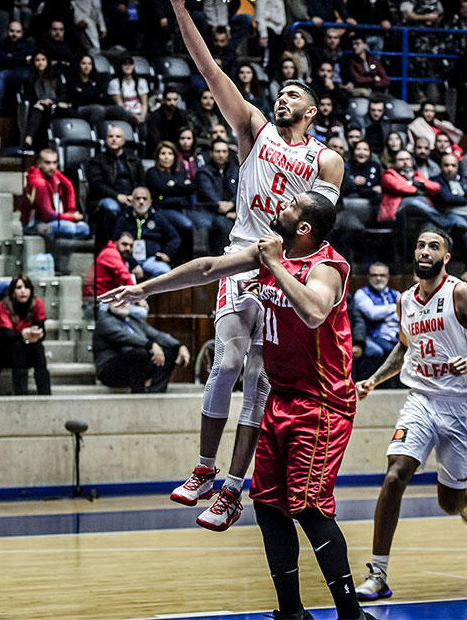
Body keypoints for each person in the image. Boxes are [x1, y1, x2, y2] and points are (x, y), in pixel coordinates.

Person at [102, 192, 369, 619]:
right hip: (282, 398)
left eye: (292, 206)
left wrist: (275, 266)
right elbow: (208, 267)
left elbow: (316, 312)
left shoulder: (326, 268)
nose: (281, 205)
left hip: (321, 404)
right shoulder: (272, 252)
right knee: (267, 503)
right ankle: (291, 611)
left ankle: (352, 615)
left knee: (309, 507)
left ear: (304, 228)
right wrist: (143, 289)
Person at [166, 0, 345, 531]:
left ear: (312, 110)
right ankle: (203, 468)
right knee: (226, 362)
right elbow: (209, 68)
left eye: (293, 92)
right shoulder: (253, 129)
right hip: (243, 255)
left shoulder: (326, 160)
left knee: (262, 380)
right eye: (281, 91)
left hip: (283, 268)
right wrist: (180, 5)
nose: (282, 95)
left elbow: (314, 223)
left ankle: (232, 491)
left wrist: (290, 266)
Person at [352, 228, 467, 601]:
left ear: (445, 258)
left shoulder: (460, 293)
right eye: (420, 244)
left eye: (433, 246)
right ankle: (378, 573)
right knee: (395, 475)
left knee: (448, 503)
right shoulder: (405, 300)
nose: (424, 250)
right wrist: (373, 380)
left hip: (461, 407)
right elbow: (404, 350)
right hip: (421, 399)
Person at [93, 301, 189, 393]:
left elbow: (157, 335)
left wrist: (179, 346)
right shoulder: (104, 321)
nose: (122, 304)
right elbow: (127, 337)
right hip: (111, 372)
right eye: (117, 301)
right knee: (140, 353)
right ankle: (139, 393)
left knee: (169, 351)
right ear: (109, 304)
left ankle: (156, 392)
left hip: (136, 366)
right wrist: (151, 345)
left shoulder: (133, 320)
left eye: (125, 301)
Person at [0, 275, 52, 395]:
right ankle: (21, 394)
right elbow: (6, 335)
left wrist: (36, 334)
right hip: (8, 350)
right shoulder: (3, 305)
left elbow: (42, 330)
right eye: (19, 287)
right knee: (18, 347)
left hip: (30, 346)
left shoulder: (37, 303)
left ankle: (45, 394)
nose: (23, 291)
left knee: (38, 348)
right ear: (13, 292)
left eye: (26, 287)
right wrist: (23, 335)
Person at [111, 187, 180, 280]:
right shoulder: (124, 219)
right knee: (118, 270)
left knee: (165, 271)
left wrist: (167, 254)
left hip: (151, 258)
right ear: (132, 201)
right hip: (128, 258)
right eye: (138, 198)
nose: (141, 201)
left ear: (150, 202)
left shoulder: (158, 218)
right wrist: (133, 263)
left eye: (144, 198)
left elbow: (175, 237)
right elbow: (116, 241)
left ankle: (146, 292)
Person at [21, 148, 89, 239]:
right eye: (47, 163)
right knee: (73, 228)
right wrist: (71, 217)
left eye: (54, 162)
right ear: (39, 163)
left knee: (83, 228)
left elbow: (69, 186)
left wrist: (71, 210)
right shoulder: (39, 183)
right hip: (34, 224)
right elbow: (48, 215)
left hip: (51, 220)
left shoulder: (53, 173)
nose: (52, 167)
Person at [351, 262, 400, 382]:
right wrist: (394, 308)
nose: (378, 278)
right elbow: (373, 313)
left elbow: (404, 314)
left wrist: (384, 313)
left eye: (382, 275)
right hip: (372, 335)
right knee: (388, 350)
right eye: (374, 275)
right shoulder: (362, 293)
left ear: (388, 277)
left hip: (396, 334)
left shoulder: (395, 294)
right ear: (369, 277)